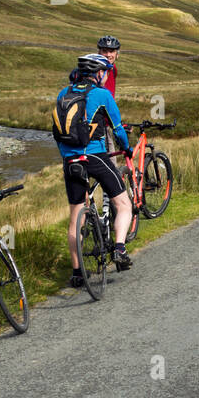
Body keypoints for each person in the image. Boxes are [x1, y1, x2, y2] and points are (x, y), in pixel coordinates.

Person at [55, 54, 133, 285]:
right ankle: (119, 248)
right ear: (99, 73)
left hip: (70, 160)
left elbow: (58, 129)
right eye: (106, 72)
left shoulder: (63, 93)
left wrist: (67, 155)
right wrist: (126, 148)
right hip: (95, 156)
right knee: (123, 204)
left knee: (75, 218)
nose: (107, 76)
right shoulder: (102, 94)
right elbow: (117, 128)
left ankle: (77, 273)